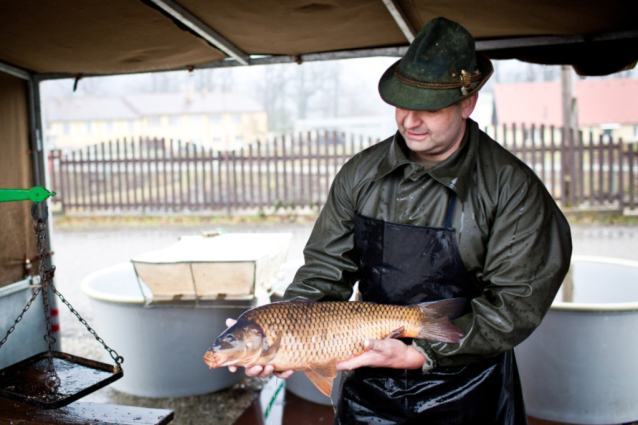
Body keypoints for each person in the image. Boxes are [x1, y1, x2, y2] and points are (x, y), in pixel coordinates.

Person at [226, 16, 572, 424]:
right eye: (402, 103)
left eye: (429, 107)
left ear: (468, 102)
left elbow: (516, 304)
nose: (410, 120)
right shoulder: (361, 174)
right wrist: (288, 339)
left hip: (468, 385)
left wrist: (421, 352)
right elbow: (324, 270)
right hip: (368, 378)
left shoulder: (511, 189)